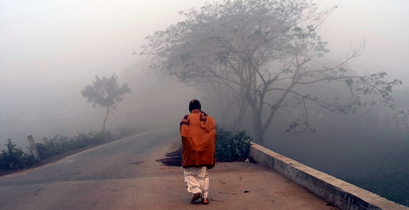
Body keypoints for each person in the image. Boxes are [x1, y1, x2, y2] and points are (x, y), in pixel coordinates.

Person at [179, 99, 217, 205]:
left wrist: (192, 145)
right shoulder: (208, 118)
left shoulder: (186, 119)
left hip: (191, 151)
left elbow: (183, 134)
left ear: (190, 108)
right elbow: (213, 135)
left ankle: (196, 191)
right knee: (203, 175)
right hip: (205, 151)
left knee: (188, 173)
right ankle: (204, 198)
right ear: (200, 108)